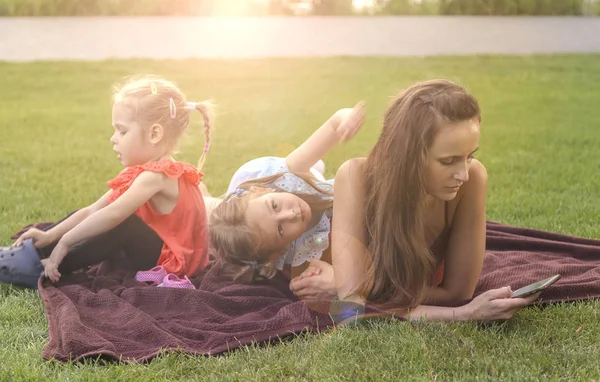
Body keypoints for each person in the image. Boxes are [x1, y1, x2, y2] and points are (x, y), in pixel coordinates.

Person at [291, 79, 539, 321]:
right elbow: (354, 304)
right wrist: (465, 314)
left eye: (470, 156)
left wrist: (350, 285)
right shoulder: (356, 177)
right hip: (303, 244)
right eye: (448, 161)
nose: (463, 173)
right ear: (408, 156)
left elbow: (458, 292)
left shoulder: (473, 177)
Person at [0, 76, 213, 289]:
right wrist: (50, 235)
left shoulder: (158, 176)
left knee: (122, 225)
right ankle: (35, 252)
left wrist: (66, 242)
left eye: (122, 131)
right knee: (89, 217)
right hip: (156, 246)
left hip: (174, 262)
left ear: (154, 134)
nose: (113, 138)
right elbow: (94, 210)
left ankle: (45, 268)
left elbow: (113, 215)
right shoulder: (142, 171)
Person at [208, 102, 365, 283]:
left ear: (262, 190)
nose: (292, 214)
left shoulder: (288, 177)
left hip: (323, 185)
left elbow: (334, 124)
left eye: (274, 206)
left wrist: (346, 118)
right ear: (280, 251)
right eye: (281, 229)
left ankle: (315, 172)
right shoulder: (305, 255)